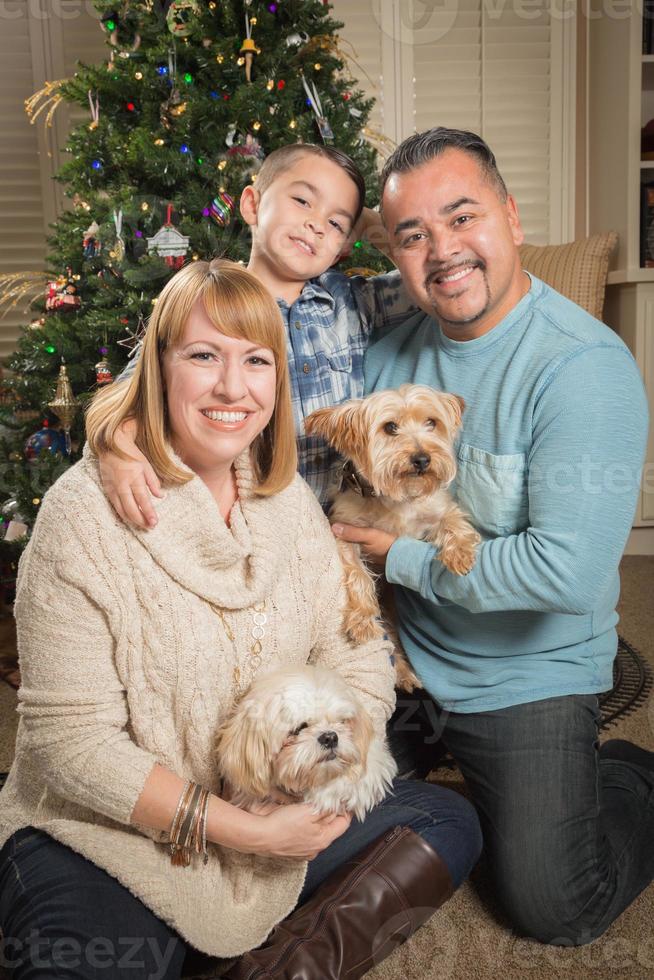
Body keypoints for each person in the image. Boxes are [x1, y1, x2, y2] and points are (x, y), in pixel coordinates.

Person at [0, 260, 482, 979]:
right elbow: (71, 744)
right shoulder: (82, 518)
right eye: (203, 356)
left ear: (277, 381)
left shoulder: (287, 502)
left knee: (449, 819)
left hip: (288, 791)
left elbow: (355, 653)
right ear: (158, 369)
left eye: (257, 360)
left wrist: (326, 784)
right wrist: (241, 830)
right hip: (111, 831)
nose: (233, 386)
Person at [331, 127, 654, 947]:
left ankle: (630, 774)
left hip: (527, 668)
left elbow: (569, 575)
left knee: (554, 903)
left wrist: (390, 555)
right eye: (413, 235)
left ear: (510, 217)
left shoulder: (583, 369)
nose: (442, 252)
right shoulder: (387, 354)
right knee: (309, 815)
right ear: (396, 256)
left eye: (462, 216)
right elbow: (238, 339)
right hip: (403, 655)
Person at [102, 143, 411, 522]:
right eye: (302, 200)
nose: (317, 224)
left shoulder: (354, 301)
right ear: (251, 204)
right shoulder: (209, 301)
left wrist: (374, 226)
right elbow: (127, 391)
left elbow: (428, 280)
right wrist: (119, 449)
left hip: (336, 532)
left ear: (345, 245)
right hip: (250, 525)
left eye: (336, 223)